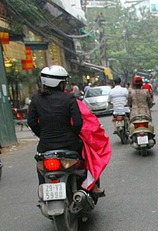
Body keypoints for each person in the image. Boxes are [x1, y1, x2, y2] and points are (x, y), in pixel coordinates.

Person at [27, 65, 107, 195]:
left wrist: (43, 135)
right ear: (61, 83)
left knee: (40, 166)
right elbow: (78, 122)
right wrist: (72, 135)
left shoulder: (36, 99)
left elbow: (31, 122)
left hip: (45, 145)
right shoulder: (69, 98)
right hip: (70, 143)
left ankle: (42, 187)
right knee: (88, 155)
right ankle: (92, 187)